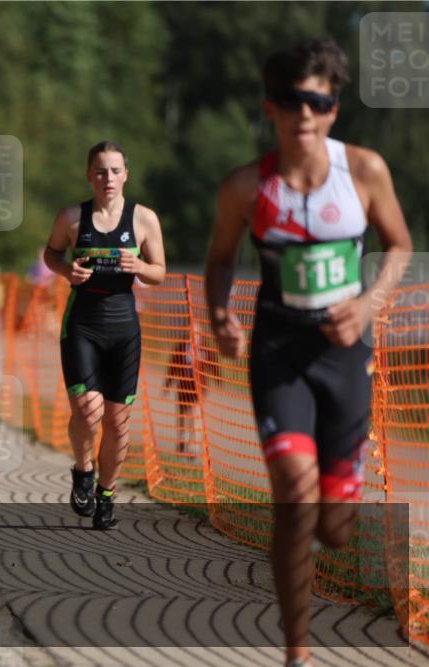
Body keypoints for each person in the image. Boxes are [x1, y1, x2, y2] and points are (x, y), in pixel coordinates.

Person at [204, 38, 412, 667]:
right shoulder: (246, 186)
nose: (305, 113)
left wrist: (369, 304)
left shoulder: (365, 171)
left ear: (333, 109)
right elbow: (220, 261)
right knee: (294, 498)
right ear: (271, 106)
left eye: (318, 102)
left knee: (335, 529)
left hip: (345, 355)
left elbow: (399, 246)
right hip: (280, 350)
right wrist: (220, 317)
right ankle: (298, 653)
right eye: (292, 100)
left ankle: (339, 493)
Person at [43, 141, 166, 530]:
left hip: (124, 327)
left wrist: (140, 266)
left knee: (117, 420)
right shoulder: (71, 217)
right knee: (87, 409)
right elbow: (51, 254)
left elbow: (160, 271)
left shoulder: (143, 219)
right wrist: (67, 271)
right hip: (82, 324)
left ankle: (107, 496)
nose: (107, 178)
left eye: (114, 171)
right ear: (89, 175)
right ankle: (84, 471)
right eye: (100, 171)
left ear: (125, 174)